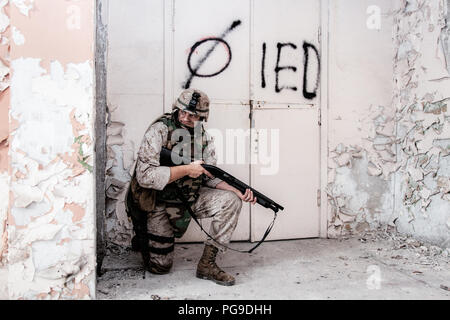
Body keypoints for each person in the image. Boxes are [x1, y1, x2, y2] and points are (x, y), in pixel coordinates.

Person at [126, 88, 256, 286]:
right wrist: (187, 169)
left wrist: (236, 191)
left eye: (193, 115)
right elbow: (145, 177)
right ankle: (143, 236)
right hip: (158, 202)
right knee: (160, 267)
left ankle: (208, 265)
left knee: (231, 201)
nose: (185, 117)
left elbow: (209, 177)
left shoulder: (204, 138)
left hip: (187, 198)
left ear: (202, 117)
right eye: (182, 111)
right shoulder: (159, 130)